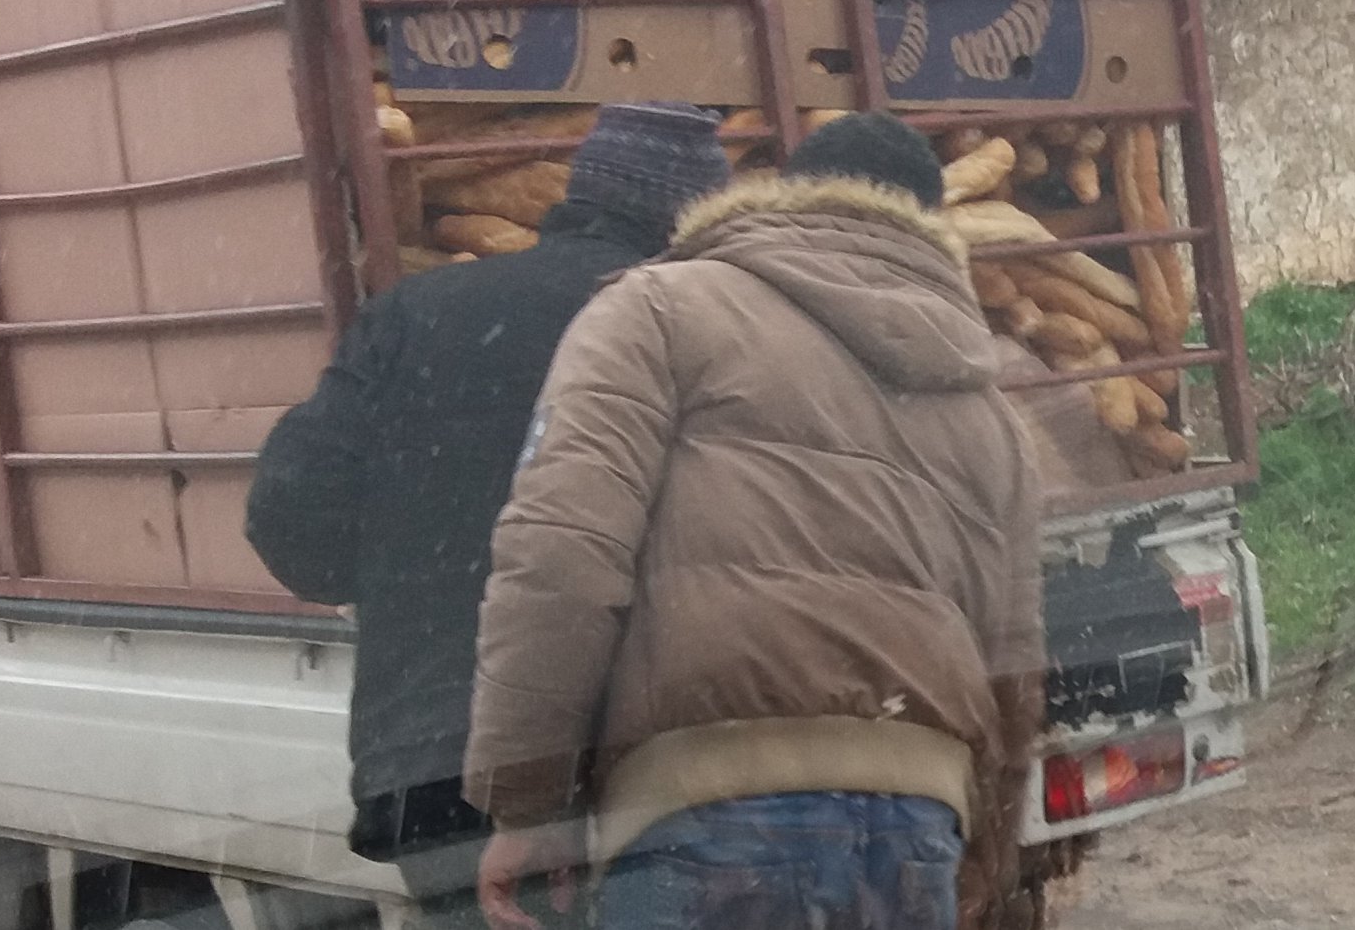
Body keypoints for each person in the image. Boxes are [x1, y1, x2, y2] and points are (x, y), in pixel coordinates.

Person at [463, 110, 1044, 930]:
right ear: (929, 228)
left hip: (703, 809)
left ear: (785, 196)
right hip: (914, 822)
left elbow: (558, 558)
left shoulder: (657, 312)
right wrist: (988, 854)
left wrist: (526, 806)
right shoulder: (988, 408)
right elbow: (1012, 671)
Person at [245, 102, 731, 919]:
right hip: (660, 760)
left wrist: (403, 580)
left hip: (441, 757)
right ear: (698, 217)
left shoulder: (424, 313)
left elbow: (289, 511)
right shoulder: (715, 329)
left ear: (579, 195)